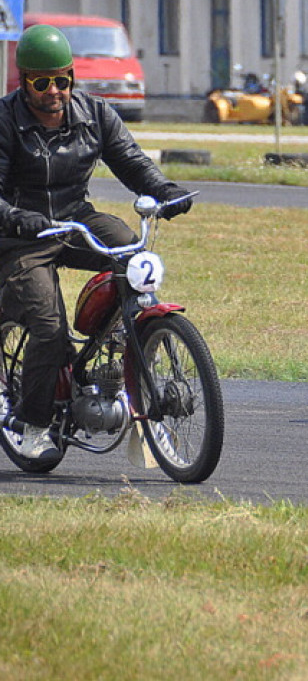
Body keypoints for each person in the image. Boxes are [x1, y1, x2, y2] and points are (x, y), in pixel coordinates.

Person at [0, 24, 193, 460]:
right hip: (20, 235)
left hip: (74, 219)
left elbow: (132, 162)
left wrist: (166, 191)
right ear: (24, 80)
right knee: (48, 330)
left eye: (62, 80)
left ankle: (128, 336)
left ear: (72, 75)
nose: (54, 91)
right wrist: (16, 217)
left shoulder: (96, 114)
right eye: (41, 82)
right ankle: (32, 423)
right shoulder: (4, 120)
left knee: (130, 250)